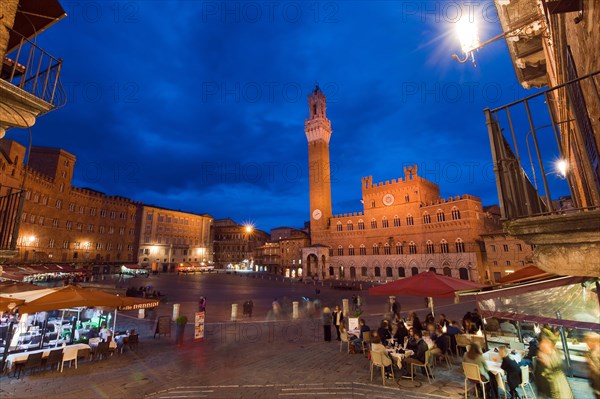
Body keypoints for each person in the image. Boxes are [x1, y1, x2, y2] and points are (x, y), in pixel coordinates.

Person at [534, 332, 574, 399]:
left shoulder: (554, 354)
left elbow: (558, 368)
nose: (541, 345)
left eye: (545, 343)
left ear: (550, 344)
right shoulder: (542, 356)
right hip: (548, 389)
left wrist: (549, 364)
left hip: (558, 387)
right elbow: (539, 375)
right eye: (541, 343)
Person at [583, 332, 600, 399]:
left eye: (588, 341)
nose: (587, 343)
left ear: (595, 342)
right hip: (595, 383)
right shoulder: (590, 352)